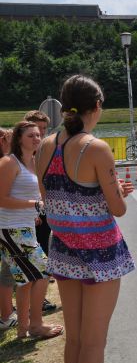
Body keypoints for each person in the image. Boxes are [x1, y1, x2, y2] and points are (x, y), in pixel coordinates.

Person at [36, 75, 134, 363]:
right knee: (94, 342)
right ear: (97, 106)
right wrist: (117, 192)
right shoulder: (96, 147)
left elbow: (51, 197)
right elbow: (118, 209)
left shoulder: (45, 145)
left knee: (75, 340)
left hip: (64, 250)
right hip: (100, 253)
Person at [0, 121, 63, 340]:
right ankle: (36, 325)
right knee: (44, 271)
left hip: (24, 227)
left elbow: (34, 192)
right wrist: (33, 205)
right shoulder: (9, 162)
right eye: (31, 136)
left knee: (25, 280)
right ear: (18, 139)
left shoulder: (33, 162)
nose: (37, 138)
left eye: (38, 135)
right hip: (10, 229)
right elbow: (1, 199)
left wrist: (35, 211)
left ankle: (23, 328)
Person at [24, 111, 57, 313]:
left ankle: (38, 297)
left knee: (43, 246)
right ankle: (35, 302)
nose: (41, 134)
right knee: (33, 256)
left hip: (42, 207)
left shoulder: (43, 149)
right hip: (28, 212)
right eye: (37, 130)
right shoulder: (20, 155)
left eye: (44, 130)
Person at [0, 127, 17, 330]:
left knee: (8, 270)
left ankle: (7, 313)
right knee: (7, 271)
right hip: (6, 224)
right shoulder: (5, 163)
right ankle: (6, 315)